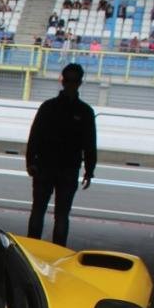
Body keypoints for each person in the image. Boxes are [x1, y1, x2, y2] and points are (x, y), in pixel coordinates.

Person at [25, 62, 97, 248]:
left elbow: (35, 135)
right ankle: (58, 253)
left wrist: (30, 161)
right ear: (80, 83)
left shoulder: (48, 107)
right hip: (68, 168)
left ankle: (31, 251)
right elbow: (89, 144)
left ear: (62, 81)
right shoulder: (85, 112)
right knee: (62, 215)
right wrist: (89, 170)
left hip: (45, 166)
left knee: (38, 211)